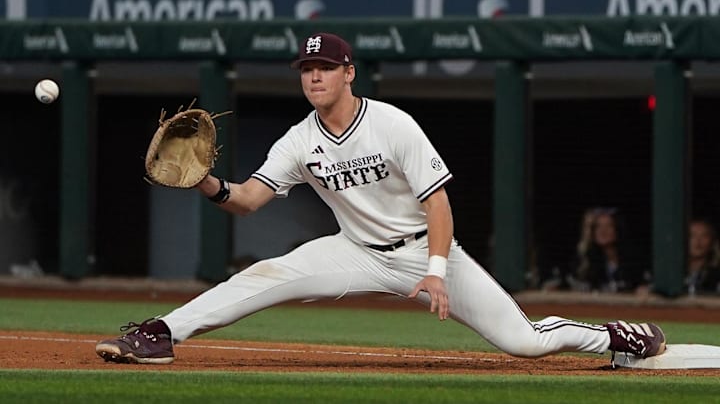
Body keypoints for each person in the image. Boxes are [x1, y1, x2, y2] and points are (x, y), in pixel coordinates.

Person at [95, 32, 666, 367]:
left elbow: (438, 203)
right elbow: (247, 199)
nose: (313, 77)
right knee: (263, 275)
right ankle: (161, 334)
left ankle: (615, 338)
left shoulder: (392, 124)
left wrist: (438, 272)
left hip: (425, 250)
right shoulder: (300, 139)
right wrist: (202, 181)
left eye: (324, 68)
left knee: (522, 342)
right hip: (355, 250)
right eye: (306, 69)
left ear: (349, 72)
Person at [567, 207, 649, 294]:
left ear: (618, 229)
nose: (603, 231)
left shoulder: (634, 261)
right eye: (598, 226)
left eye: (609, 225)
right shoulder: (587, 262)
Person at [686, 218, 720, 295]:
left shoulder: (716, 274)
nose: (698, 241)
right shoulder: (673, 272)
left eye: (704, 235)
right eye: (692, 235)